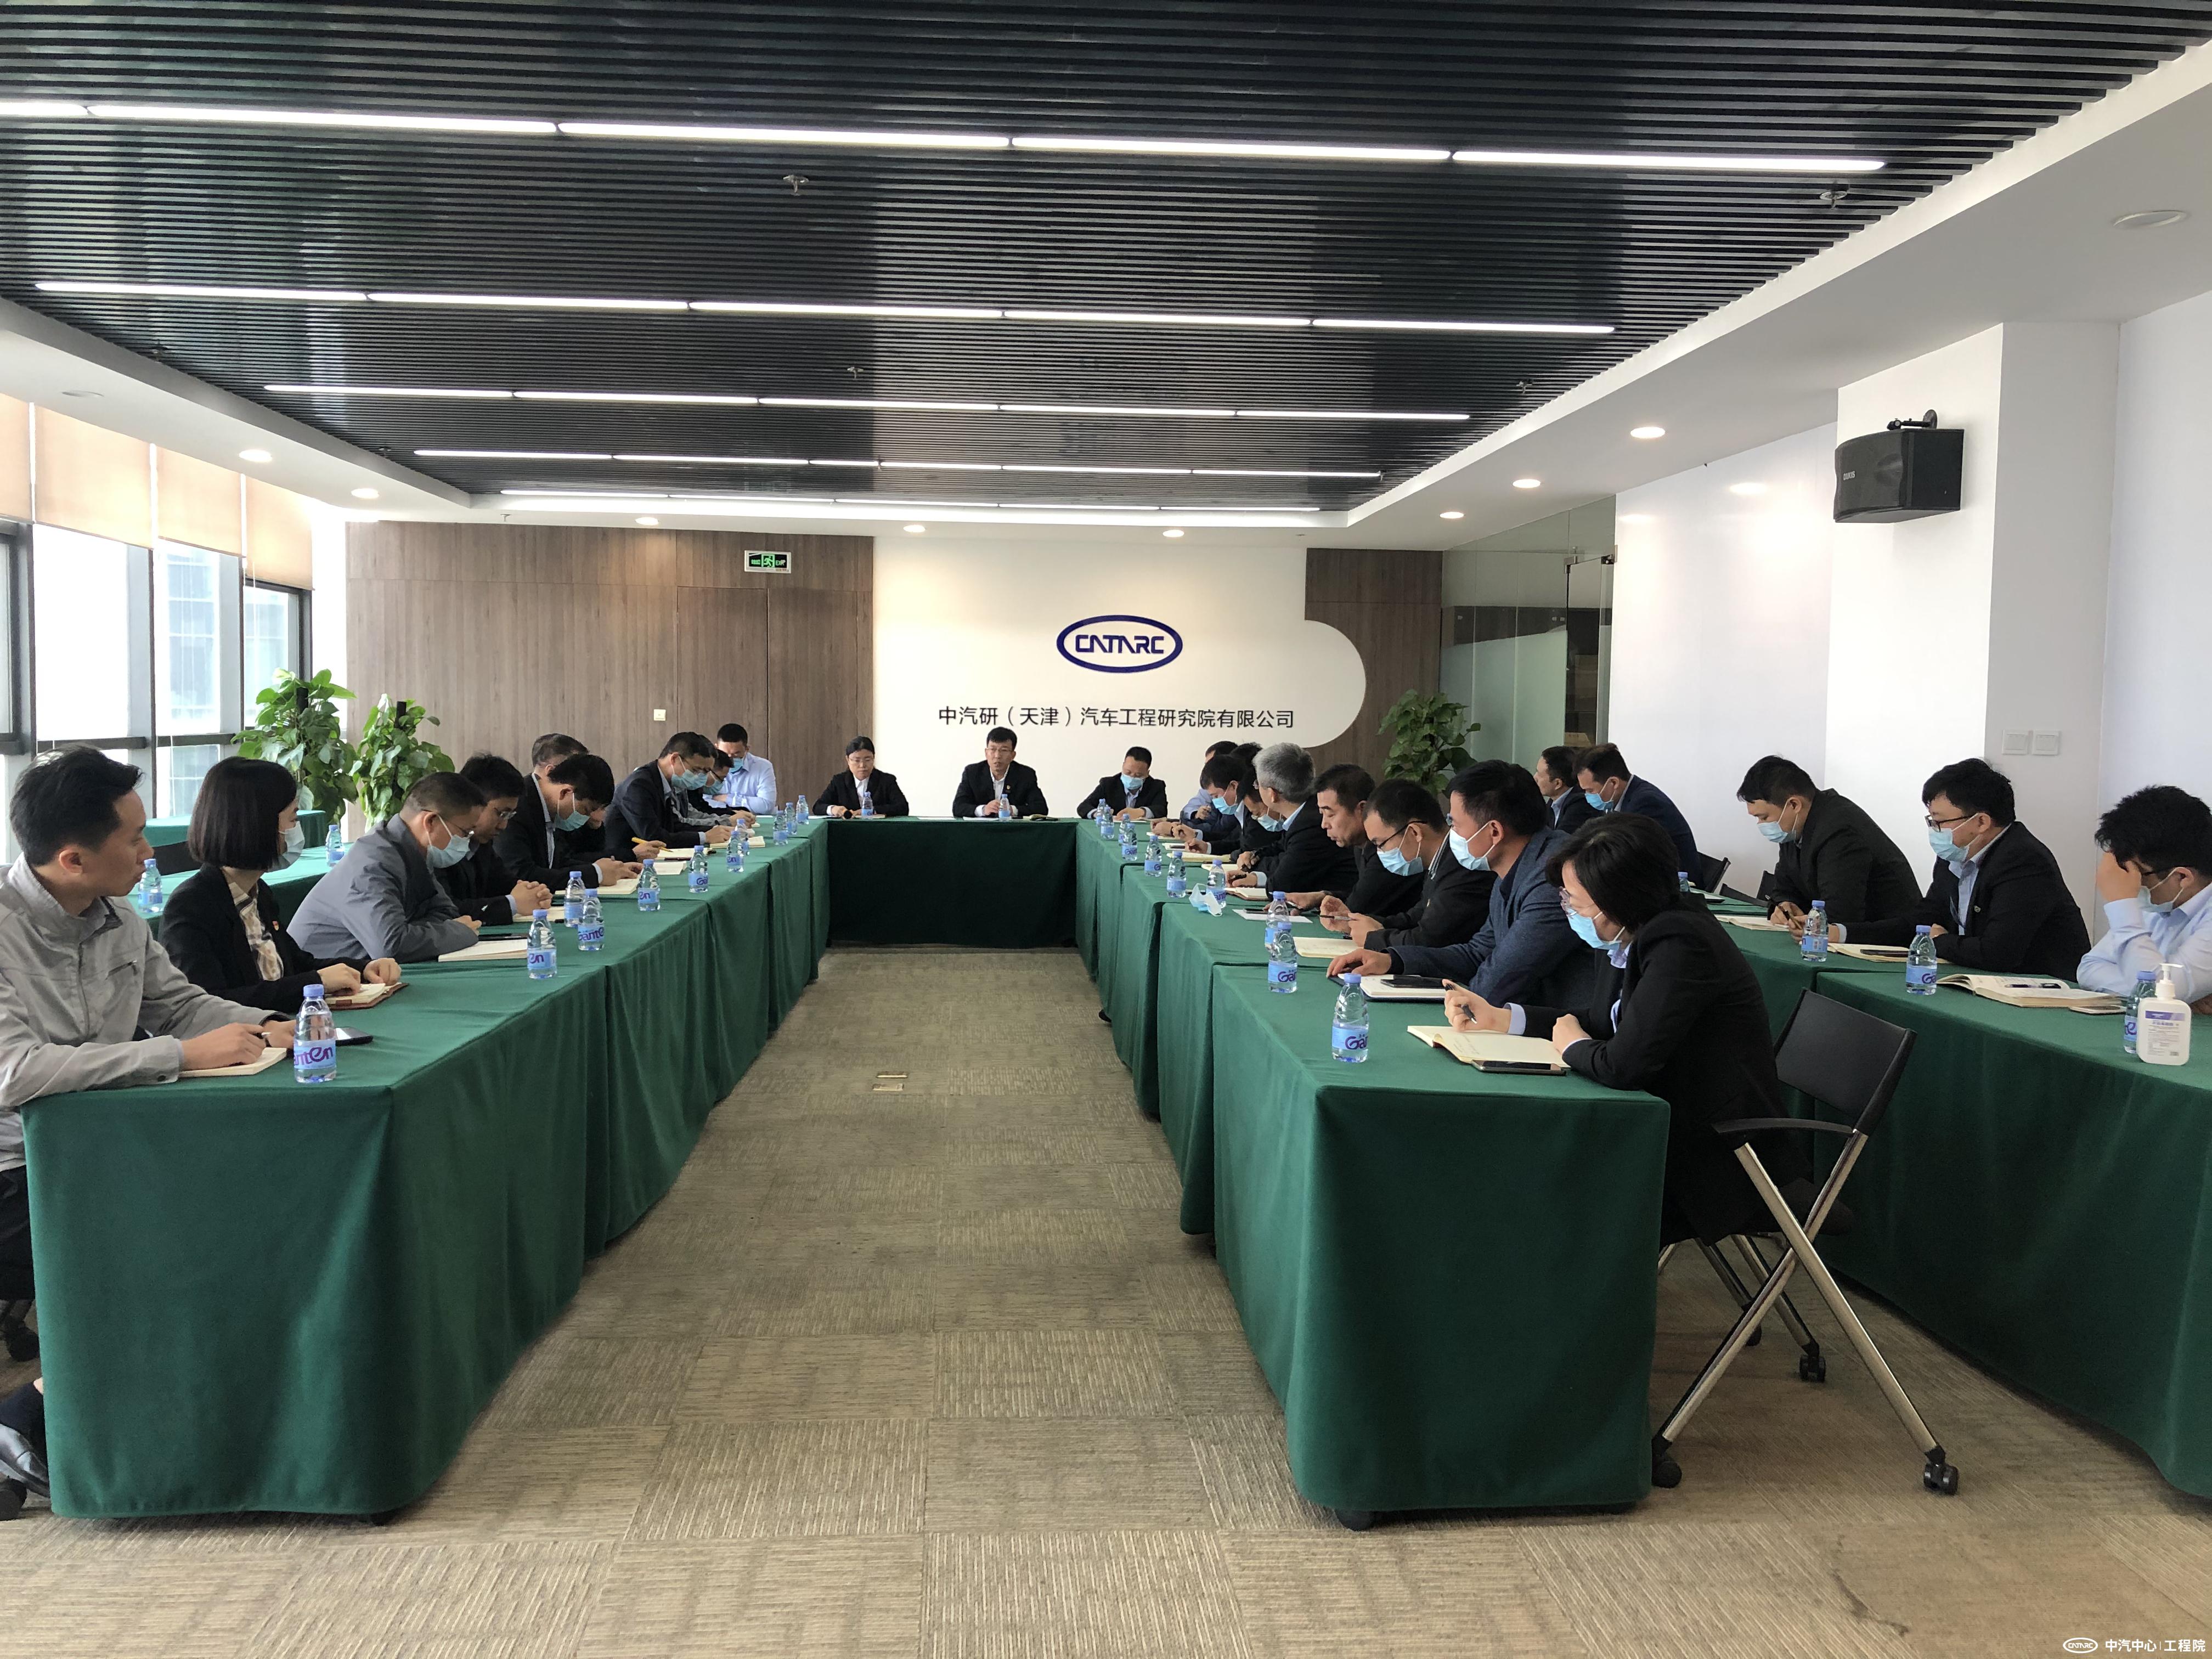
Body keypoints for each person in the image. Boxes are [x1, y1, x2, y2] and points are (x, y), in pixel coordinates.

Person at [0, 749, 294, 1505]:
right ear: (73, 858)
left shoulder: (120, 919)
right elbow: (15, 1073)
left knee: (255, 1197)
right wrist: (176, 1056)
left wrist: (266, 1023)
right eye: (133, 838)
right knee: (179, 1234)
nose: (150, 852)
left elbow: (182, 1005)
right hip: (16, 1168)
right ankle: (27, 1420)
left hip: (109, 1147)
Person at [1442, 814, 1810, 1245]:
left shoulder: (1681, 942)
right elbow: (1604, 1021)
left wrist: (1573, 1046)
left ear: (1618, 899)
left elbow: (1623, 1066)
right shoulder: (1627, 933)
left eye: (1575, 901)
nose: (1569, 909)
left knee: (1544, 1183)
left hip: (1716, 1152)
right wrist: (1503, 1018)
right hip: (1668, 1123)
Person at [1330, 760, 1598, 1009]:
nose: (1451, 835)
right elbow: (1477, 952)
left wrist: (1459, 999)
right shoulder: (1512, 869)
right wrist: (1393, 960)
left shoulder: (1555, 877)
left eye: (1456, 825)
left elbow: (1501, 980)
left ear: (1494, 832)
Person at [159, 757, 402, 1013]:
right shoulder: (191, 907)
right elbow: (208, 1005)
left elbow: (296, 966)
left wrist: (362, 968)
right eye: (293, 819)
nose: (296, 830)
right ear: (258, 824)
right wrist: (315, 983)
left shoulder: (258, 892)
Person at [1844, 758, 2090, 978]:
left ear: (1981, 822)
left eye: (1939, 822)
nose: (1934, 831)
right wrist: (1843, 933)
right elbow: (1921, 922)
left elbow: (1998, 953)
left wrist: (1939, 941)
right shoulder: (1955, 855)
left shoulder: (2023, 861)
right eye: (1931, 821)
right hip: (1982, 979)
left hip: (2040, 991)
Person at [290, 771, 489, 963]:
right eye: (465, 832)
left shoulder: (414, 852)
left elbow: (447, 912)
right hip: (318, 979)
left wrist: (412, 932)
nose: (467, 840)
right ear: (431, 822)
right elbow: (392, 945)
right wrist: (459, 932)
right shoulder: (373, 865)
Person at [1737, 754, 1921, 933]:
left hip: (1886, 940)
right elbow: (1784, 888)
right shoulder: (1794, 827)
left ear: (1794, 805)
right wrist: (1786, 905)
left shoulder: (1839, 830)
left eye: (1764, 817)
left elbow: (1841, 913)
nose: (1762, 825)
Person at [1321, 777, 1494, 951]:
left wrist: (1374, 937)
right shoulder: (1439, 862)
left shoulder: (1462, 867)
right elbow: (1416, 918)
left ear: (1414, 832)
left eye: (1381, 844)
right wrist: (1353, 921)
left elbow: (1429, 939)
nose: (1380, 852)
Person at [2076, 785, 2212, 1008]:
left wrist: (2122, 904)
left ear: (2182, 877)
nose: (2129, 884)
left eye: (2137, 874)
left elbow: (2155, 993)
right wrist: (2172, 996)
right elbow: (2090, 968)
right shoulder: (2160, 903)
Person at [1280, 764, 1423, 917]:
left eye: (1330, 814)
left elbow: (1356, 907)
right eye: (1322, 814)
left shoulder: (1388, 849)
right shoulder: (1359, 845)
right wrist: (1321, 896)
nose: (1324, 825)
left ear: (1362, 809)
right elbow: (1358, 894)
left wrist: (1324, 899)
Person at [496, 748, 639, 890]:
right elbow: (521, 874)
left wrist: (614, 869)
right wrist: (596, 874)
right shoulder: (518, 805)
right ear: (566, 792)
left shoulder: (552, 808)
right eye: (586, 810)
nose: (587, 818)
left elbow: (558, 862)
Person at [437, 755, 554, 925]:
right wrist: (512, 904)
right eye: (501, 814)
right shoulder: (440, 845)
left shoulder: (481, 844)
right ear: (472, 802)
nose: (504, 826)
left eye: (510, 816)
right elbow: (450, 910)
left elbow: (503, 883)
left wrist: (534, 892)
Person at [1232, 742, 1355, 895]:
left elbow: (1281, 886)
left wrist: (1255, 872)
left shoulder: (1311, 824)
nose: (1257, 789)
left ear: (1272, 794)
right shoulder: (1304, 814)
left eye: (1258, 785)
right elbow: (1280, 851)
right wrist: (1256, 859)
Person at [603, 733, 735, 860]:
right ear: (675, 759)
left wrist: (716, 831)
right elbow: (653, 837)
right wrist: (704, 837)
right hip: (625, 861)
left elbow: (674, 826)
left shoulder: (665, 782)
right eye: (696, 770)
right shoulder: (639, 785)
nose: (699, 777)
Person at [1575, 742, 1700, 875]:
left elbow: (1634, 858)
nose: (1587, 796)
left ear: (1613, 783)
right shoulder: (1618, 800)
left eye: (1590, 790)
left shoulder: (1646, 803)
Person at [951, 726, 1049, 818]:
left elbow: (1041, 809)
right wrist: (984, 810)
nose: (997, 756)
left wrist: (1013, 810)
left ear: (1013, 755)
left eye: (1004, 750)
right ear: (986, 753)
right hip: (981, 829)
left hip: (1013, 830)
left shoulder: (1026, 775)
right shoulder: (972, 773)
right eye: (993, 749)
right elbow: (958, 807)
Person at [820, 736, 911, 817]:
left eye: (867, 760)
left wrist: (872, 811)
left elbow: (903, 808)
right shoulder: (839, 781)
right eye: (857, 761)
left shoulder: (887, 781)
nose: (862, 765)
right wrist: (833, 809)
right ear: (848, 760)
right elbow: (818, 806)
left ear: (874, 758)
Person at [1075, 747, 1170, 820]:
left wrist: (1140, 812)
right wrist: (1097, 814)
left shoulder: (1156, 786)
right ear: (1123, 765)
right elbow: (1083, 807)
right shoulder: (1108, 784)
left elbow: (1161, 810)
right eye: (1128, 772)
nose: (1132, 778)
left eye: (1138, 775)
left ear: (1147, 773)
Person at [710, 724, 777, 819]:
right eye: (725, 754)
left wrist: (728, 799)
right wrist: (732, 812)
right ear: (716, 748)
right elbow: (703, 802)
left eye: (736, 754)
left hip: (754, 821)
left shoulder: (763, 766)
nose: (730, 759)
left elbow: (766, 805)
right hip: (718, 819)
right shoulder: (708, 766)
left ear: (746, 749)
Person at [1537, 745, 1597, 836]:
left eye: (1540, 775)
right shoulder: (1553, 803)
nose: (1535, 778)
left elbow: (1560, 841)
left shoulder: (1581, 804)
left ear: (1558, 784)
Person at [1178, 741, 1241, 823]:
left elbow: (1220, 829)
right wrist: (1196, 814)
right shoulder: (1211, 789)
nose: (1207, 770)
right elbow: (1187, 811)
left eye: (1210, 765)